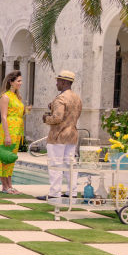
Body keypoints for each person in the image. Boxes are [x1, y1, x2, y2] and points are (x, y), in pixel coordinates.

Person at [39, 69, 83, 201]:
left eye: (58, 81)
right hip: (72, 134)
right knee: (70, 164)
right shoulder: (76, 98)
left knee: (55, 164)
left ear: (64, 82)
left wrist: (46, 118)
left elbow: (57, 117)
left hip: (58, 136)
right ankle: (72, 192)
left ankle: (54, 193)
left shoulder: (61, 98)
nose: (56, 83)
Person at [0, 70, 26, 194]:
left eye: (21, 80)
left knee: (11, 158)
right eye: (18, 81)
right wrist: (7, 135)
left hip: (17, 131)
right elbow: (3, 116)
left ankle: (10, 185)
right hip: (7, 130)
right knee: (4, 158)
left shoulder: (17, 97)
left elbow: (19, 113)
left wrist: (26, 110)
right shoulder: (5, 96)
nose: (21, 83)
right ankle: (5, 186)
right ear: (11, 82)